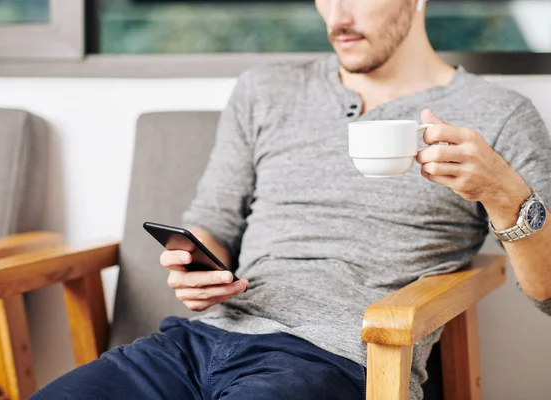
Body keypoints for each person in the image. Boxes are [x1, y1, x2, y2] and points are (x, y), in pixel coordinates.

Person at [32, 0, 551, 399]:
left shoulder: (497, 113)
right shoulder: (267, 90)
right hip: (198, 341)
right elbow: (211, 220)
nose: (337, 17)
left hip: (334, 358)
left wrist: (504, 195)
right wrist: (195, 265)